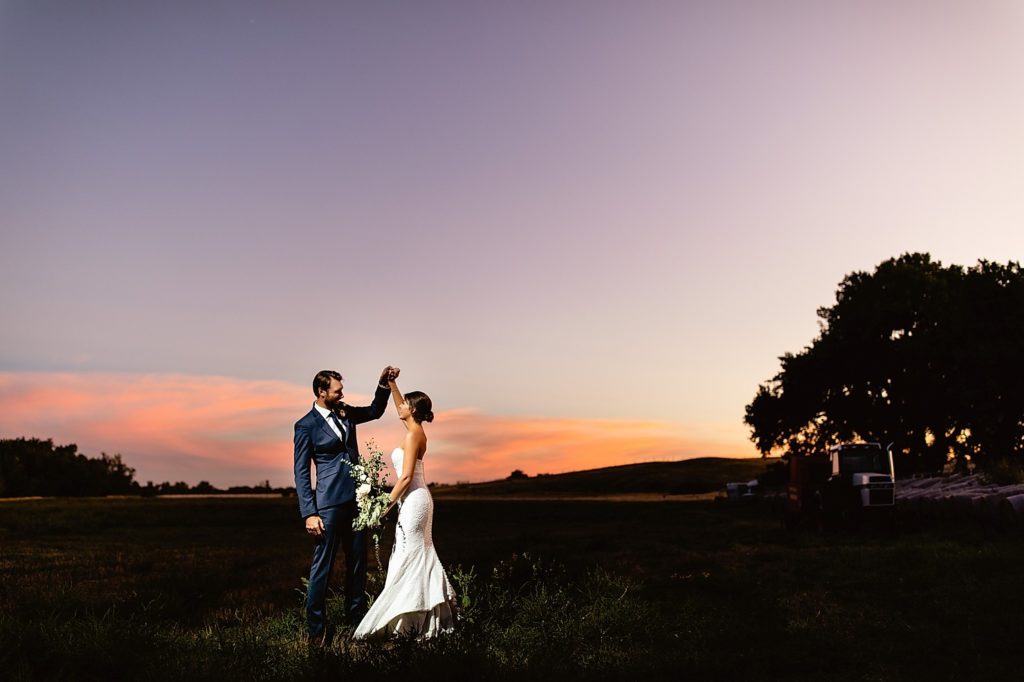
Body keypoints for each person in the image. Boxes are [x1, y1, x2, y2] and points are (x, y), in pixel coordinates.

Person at [294, 366, 397, 647]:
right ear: (321, 392)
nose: (342, 394)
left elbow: (375, 410)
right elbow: (301, 472)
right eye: (337, 390)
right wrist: (309, 512)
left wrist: (383, 384)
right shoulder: (306, 426)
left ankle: (356, 623)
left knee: (357, 565)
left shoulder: (346, 412)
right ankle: (316, 631)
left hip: (357, 501)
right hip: (327, 505)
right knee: (322, 568)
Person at [352, 374, 456, 640]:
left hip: (413, 499)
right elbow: (401, 408)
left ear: (412, 410)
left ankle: (411, 622)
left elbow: (407, 477)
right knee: (413, 554)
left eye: (404, 403)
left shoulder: (412, 437)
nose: (400, 406)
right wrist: (393, 385)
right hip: (415, 499)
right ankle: (416, 618)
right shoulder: (415, 431)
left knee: (410, 555)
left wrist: (382, 508)